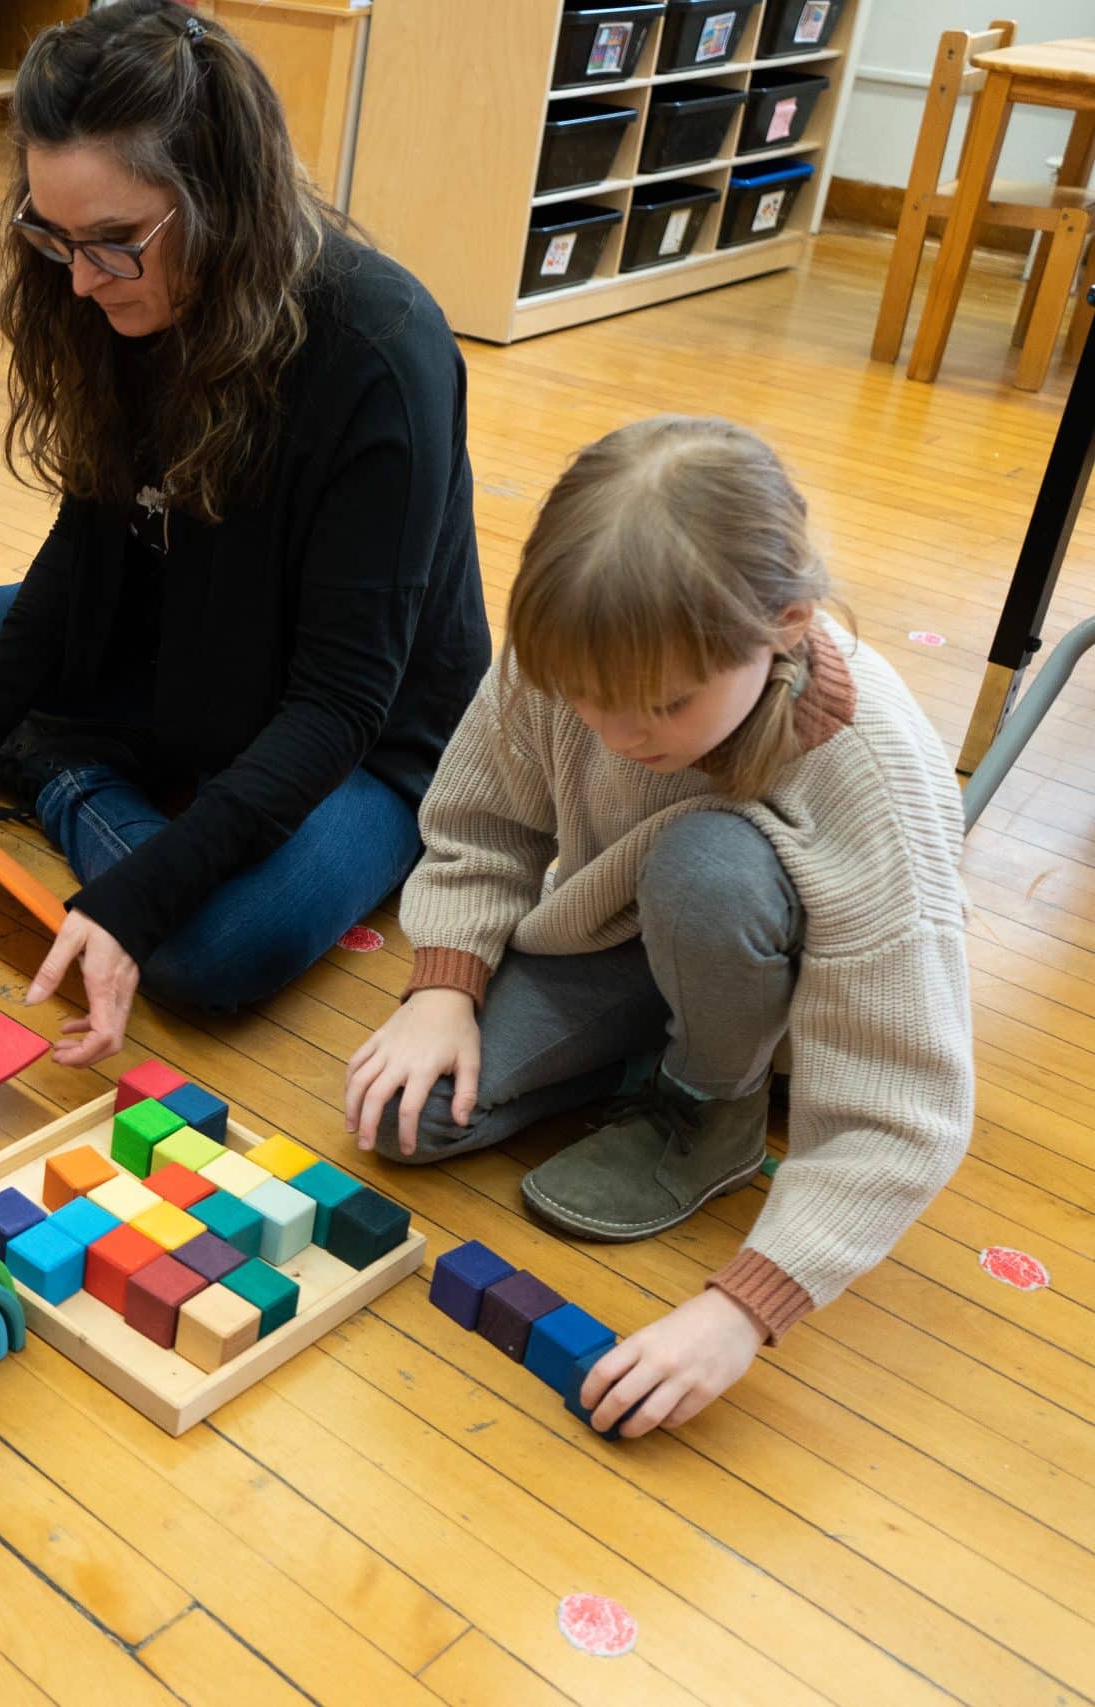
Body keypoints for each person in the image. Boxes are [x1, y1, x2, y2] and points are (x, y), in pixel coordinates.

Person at [0, 0, 489, 1067]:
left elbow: (339, 703)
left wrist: (133, 894)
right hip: (169, 636)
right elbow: (91, 533)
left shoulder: (380, 350)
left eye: (111, 244)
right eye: (52, 236)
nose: (79, 281)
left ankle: (66, 773)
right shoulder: (118, 295)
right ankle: (67, 743)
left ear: (220, 203)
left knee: (206, 949)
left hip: (359, 731)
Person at [344, 417, 972, 1438]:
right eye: (582, 701)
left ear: (783, 627)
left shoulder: (872, 777)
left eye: (662, 706)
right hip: (622, 937)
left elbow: (904, 1106)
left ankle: (708, 1106)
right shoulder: (579, 646)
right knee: (403, 1120)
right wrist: (444, 986)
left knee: (708, 869)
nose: (617, 733)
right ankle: (643, 1055)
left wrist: (744, 1309)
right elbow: (481, 819)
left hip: (754, 970)